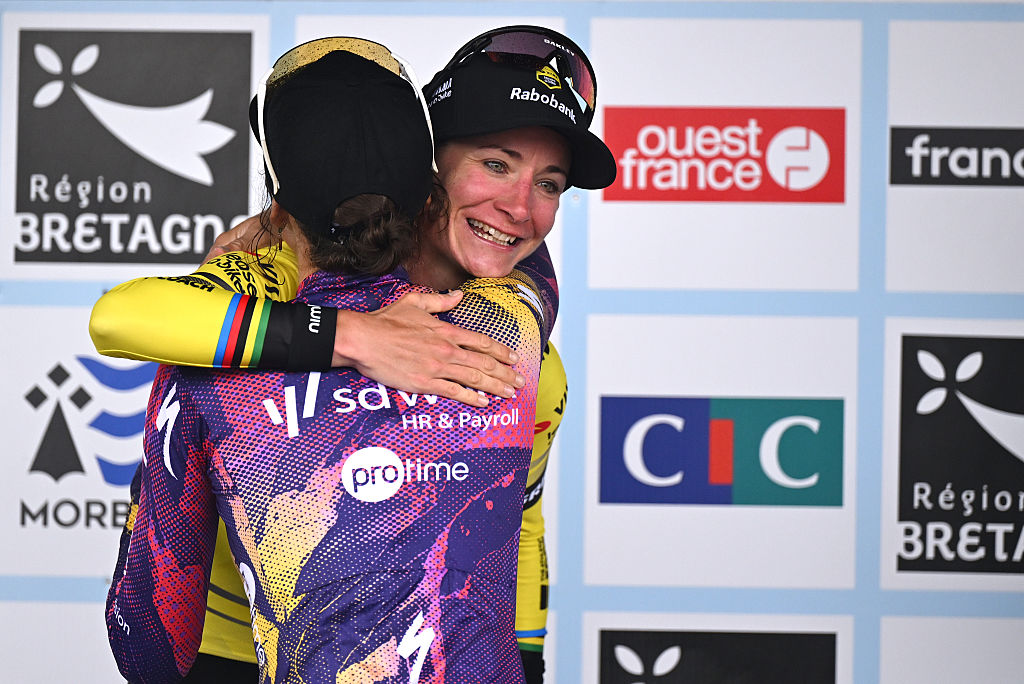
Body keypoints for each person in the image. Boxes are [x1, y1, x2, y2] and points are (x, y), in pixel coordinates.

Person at [96, 26, 616, 682]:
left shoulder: (515, 344)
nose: (519, 208)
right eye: (496, 163)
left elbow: (521, 518)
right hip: (228, 645)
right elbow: (123, 319)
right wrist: (360, 337)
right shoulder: (273, 274)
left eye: (550, 183)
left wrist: (529, 660)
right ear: (426, 161)